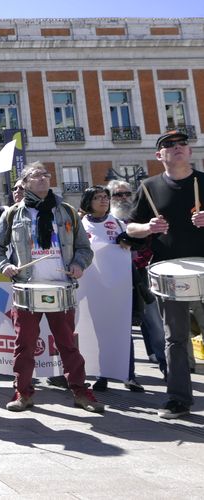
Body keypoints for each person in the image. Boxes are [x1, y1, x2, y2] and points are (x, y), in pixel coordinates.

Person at [0, 162, 102, 414]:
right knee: (24, 345)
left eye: (46, 174)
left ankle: (81, 392)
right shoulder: (13, 214)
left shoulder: (67, 211)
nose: (42, 178)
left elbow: (84, 248)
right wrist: (4, 265)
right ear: (25, 182)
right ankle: (23, 392)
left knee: (67, 345)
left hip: (61, 287)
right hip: (27, 288)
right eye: (36, 175)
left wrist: (78, 264)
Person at [126, 130, 204, 418]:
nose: (178, 148)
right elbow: (130, 228)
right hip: (168, 271)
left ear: (190, 152)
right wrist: (149, 228)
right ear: (160, 156)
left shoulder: (203, 182)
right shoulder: (149, 187)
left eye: (183, 143)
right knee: (175, 337)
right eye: (169, 145)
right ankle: (178, 399)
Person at [78, 185, 143, 392]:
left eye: (106, 197)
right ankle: (101, 375)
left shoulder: (117, 222)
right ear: (88, 201)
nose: (104, 200)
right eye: (98, 197)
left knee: (123, 331)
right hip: (91, 287)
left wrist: (127, 240)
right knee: (96, 332)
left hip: (117, 288)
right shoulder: (80, 225)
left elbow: (137, 243)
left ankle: (128, 375)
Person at [108, 179, 167, 379]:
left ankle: (166, 366)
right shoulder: (104, 219)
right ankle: (124, 372)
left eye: (127, 194)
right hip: (116, 278)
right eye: (118, 194)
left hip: (142, 276)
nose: (124, 198)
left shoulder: (142, 216)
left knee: (156, 324)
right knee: (120, 327)